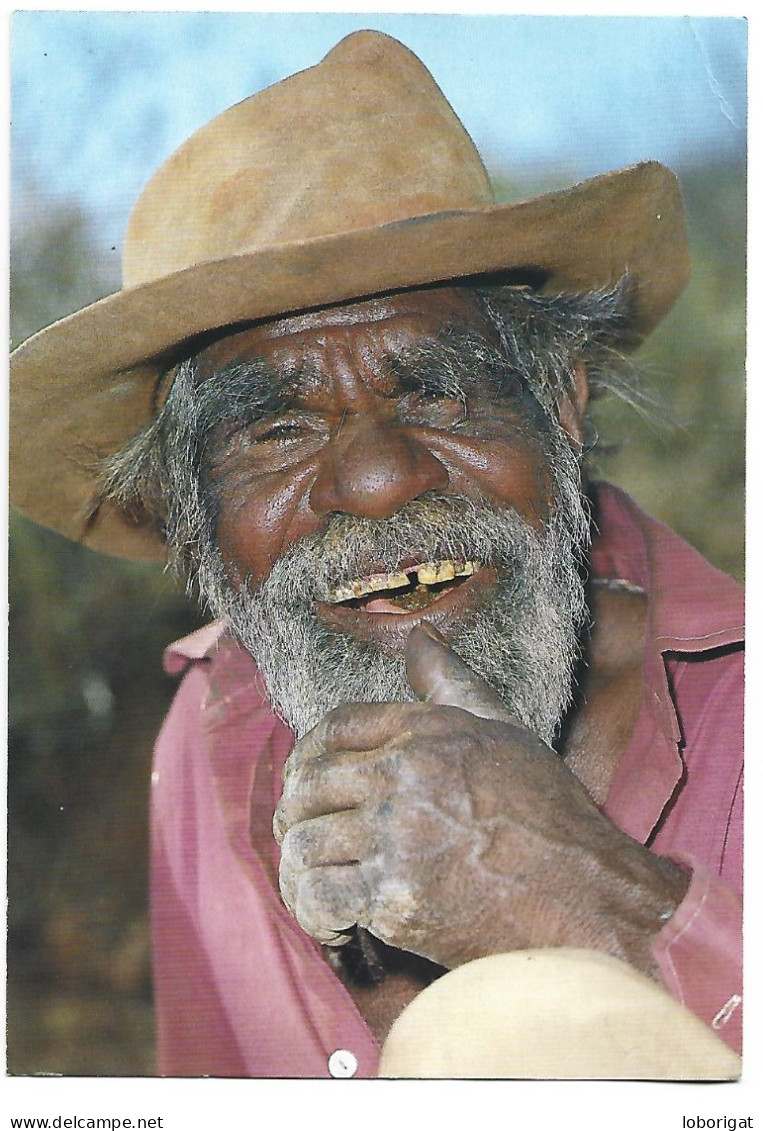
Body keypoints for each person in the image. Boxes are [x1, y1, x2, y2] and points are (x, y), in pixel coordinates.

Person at [9, 31, 743, 1079]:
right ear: (185, 509)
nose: (376, 481)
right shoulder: (210, 731)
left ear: (561, 407)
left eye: (434, 390)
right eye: (276, 429)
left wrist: (599, 899)